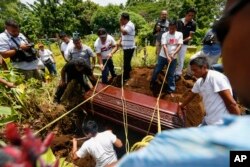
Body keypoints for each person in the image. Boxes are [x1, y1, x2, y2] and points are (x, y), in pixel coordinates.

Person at [180, 57, 240, 126]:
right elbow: (191, 96)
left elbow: (231, 103)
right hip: (208, 120)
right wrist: (181, 106)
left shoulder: (215, 78)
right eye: (192, 70)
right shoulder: (199, 82)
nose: (193, 73)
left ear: (204, 67)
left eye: (195, 70)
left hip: (220, 123)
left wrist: (237, 123)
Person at [150, 20, 183, 95]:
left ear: (176, 28)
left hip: (173, 58)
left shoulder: (179, 34)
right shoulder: (165, 34)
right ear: (168, 27)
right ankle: (153, 82)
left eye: (173, 29)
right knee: (157, 70)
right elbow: (164, 46)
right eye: (170, 28)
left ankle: (171, 89)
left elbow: (180, 45)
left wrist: (174, 53)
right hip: (163, 56)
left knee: (171, 73)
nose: (171, 30)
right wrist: (168, 56)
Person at [175, 8, 197, 81]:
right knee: (173, 57)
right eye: (189, 15)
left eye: (192, 16)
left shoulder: (193, 24)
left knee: (181, 59)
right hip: (175, 42)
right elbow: (174, 31)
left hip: (184, 44)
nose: (190, 17)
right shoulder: (179, 21)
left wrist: (182, 41)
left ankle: (178, 74)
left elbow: (190, 36)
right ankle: (171, 71)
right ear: (186, 14)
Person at [119, 12, 136, 82]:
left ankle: (126, 77)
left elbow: (124, 32)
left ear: (125, 19)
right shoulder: (126, 25)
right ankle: (129, 74)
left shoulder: (130, 25)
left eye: (122, 19)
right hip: (126, 47)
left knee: (126, 63)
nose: (121, 21)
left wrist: (120, 25)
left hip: (129, 47)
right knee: (127, 62)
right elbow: (123, 35)